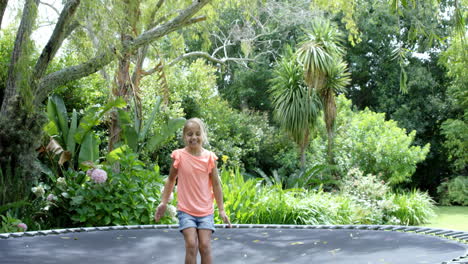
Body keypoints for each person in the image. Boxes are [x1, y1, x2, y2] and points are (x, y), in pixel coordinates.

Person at [154, 117, 231, 264]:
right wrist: (163, 202)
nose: (194, 137)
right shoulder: (179, 156)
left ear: (203, 135)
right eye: (189, 134)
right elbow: (171, 179)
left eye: (197, 133)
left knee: (205, 245)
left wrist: (221, 210)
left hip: (205, 211)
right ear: (184, 136)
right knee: (191, 244)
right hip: (186, 210)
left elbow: (216, 184)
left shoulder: (209, 157)